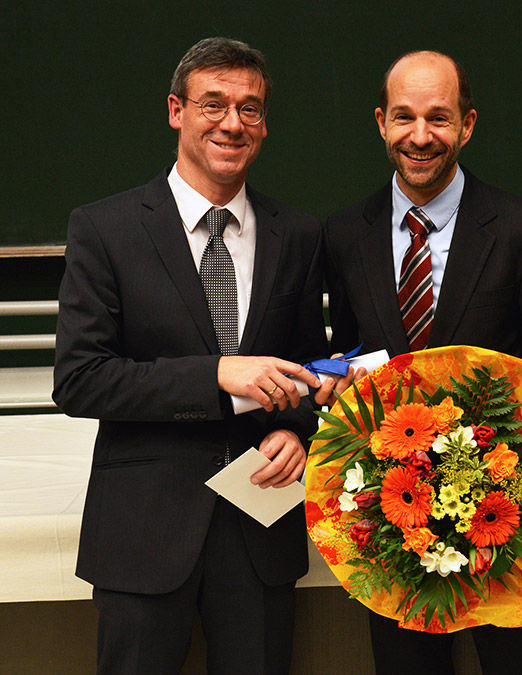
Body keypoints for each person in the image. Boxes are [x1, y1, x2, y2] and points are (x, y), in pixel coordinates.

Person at [53, 37, 347, 674]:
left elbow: (305, 365)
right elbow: (81, 380)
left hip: (259, 524)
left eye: (251, 108)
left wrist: (296, 430)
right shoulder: (105, 228)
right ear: (175, 110)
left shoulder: (297, 234)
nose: (232, 122)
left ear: (264, 125)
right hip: (144, 531)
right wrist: (216, 375)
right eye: (213, 104)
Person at [325, 51, 522, 675]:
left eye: (439, 118)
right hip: (391, 525)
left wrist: (500, 490)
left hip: (508, 528)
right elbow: (349, 362)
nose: (420, 136)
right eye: (404, 117)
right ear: (381, 122)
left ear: (467, 125)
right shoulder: (341, 235)